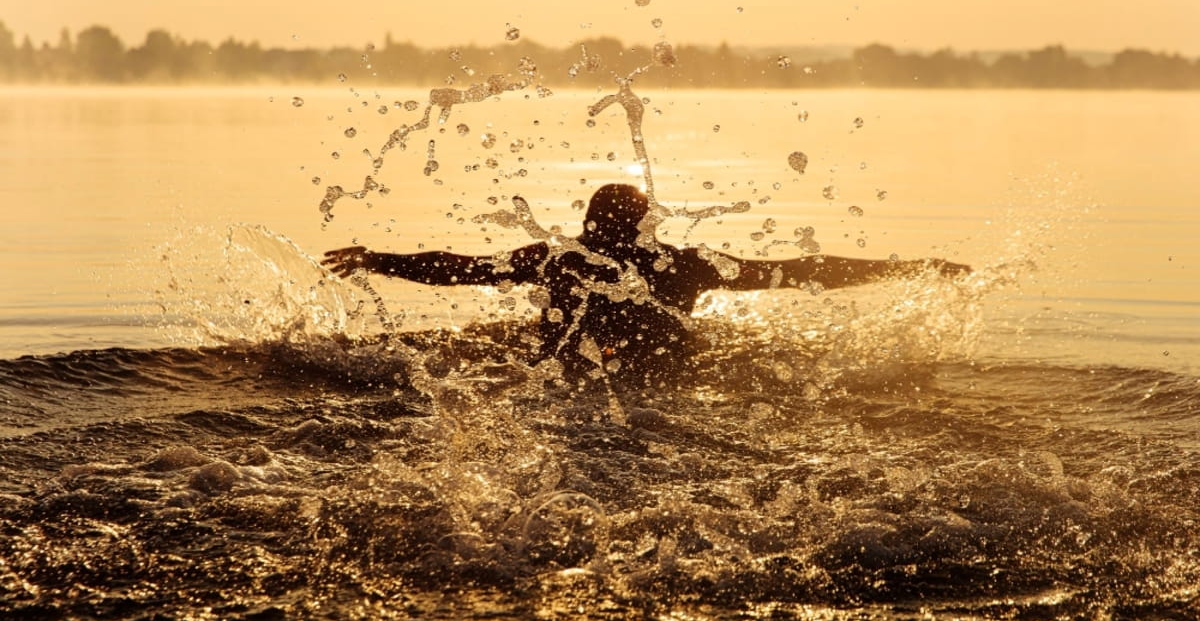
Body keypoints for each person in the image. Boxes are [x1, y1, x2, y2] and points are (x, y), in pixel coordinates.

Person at [322, 184, 968, 386]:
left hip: (567, 379)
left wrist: (376, 258)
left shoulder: (558, 259)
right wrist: (910, 268)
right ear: (647, 224)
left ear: (587, 222)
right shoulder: (683, 265)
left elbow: (460, 267)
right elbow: (803, 273)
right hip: (668, 379)